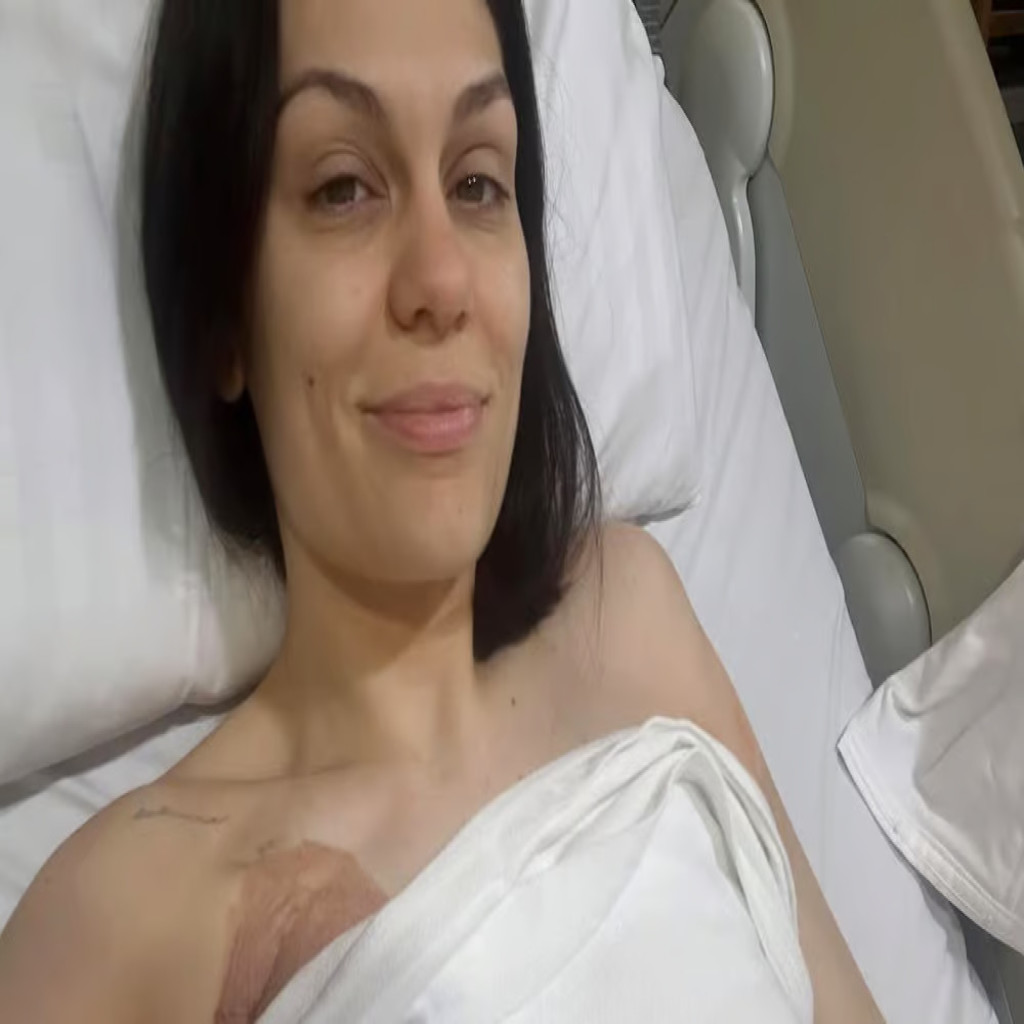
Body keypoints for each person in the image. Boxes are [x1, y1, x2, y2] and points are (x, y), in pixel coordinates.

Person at [0, 0, 883, 1020]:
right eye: (342, 187)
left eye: (476, 183)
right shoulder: (129, 913)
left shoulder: (627, 614)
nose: (441, 279)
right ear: (225, 321)